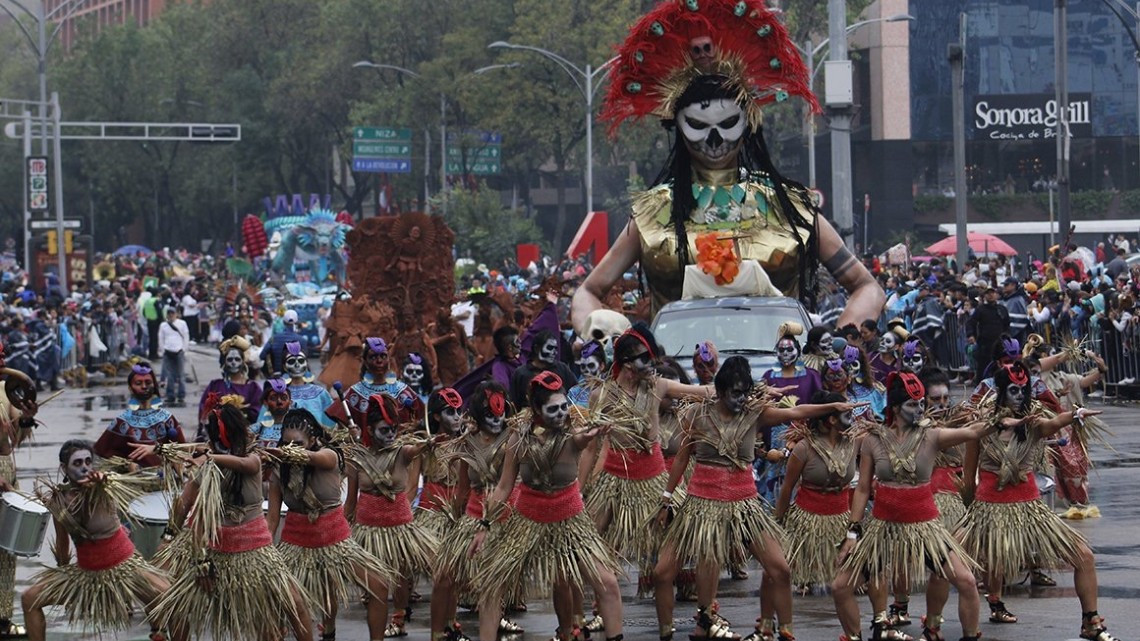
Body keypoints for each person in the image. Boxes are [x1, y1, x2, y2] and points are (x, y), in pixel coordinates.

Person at [572, 0, 884, 337]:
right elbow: (588, 292)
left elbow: (867, 288)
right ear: (678, 127)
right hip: (676, 378)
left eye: (727, 123)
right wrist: (599, 339)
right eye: (698, 125)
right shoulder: (653, 211)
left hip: (784, 378)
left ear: (747, 123)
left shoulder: (789, 207)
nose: (715, 138)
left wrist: (837, 345)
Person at [653, 356, 860, 641]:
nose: (740, 399)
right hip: (701, 504)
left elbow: (797, 413)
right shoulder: (696, 415)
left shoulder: (755, 414)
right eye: (735, 393)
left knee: (781, 568)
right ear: (722, 390)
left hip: (745, 506)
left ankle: (784, 630)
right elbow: (681, 459)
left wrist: (832, 406)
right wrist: (666, 498)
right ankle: (684, 626)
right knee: (667, 571)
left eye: (744, 393)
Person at [833, 371, 999, 641]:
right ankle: (855, 636)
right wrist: (852, 532)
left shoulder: (931, 436)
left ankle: (967, 636)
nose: (920, 409)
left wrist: (997, 419)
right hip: (883, 529)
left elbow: (971, 432)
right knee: (840, 586)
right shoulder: (873, 440)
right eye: (913, 404)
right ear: (896, 408)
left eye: (921, 403)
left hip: (926, 527)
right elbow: (863, 488)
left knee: (967, 582)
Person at [958, 362, 1115, 641]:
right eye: (1013, 390)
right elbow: (969, 478)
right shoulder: (980, 429)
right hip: (987, 509)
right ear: (1000, 391)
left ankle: (1090, 622)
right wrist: (971, 514)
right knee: (948, 562)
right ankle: (935, 623)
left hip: (1031, 511)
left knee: (1085, 556)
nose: (1019, 396)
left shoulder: (1032, 425)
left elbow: (1052, 423)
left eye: (1023, 390)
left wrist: (1075, 414)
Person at [143, 397, 313, 641]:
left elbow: (247, 464)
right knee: (177, 604)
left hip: (254, 550)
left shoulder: (253, 457)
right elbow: (185, 504)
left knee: (293, 603)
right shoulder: (207, 466)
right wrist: (169, 537)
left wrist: (209, 457)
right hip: (212, 548)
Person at [471, 372, 624, 641]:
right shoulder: (518, 439)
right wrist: (484, 524)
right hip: (528, 520)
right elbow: (505, 487)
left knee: (608, 583)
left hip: (571, 520)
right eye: (553, 409)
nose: (562, 413)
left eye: (564, 406)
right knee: (492, 586)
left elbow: (581, 439)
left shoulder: (571, 434)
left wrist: (594, 433)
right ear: (537, 410)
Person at [582, 325, 714, 626]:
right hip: (614, 482)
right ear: (627, 362)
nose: (651, 365)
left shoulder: (657, 386)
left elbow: (704, 392)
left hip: (656, 481)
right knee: (594, 544)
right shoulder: (601, 396)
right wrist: (579, 490)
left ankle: (707, 613)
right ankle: (597, 610)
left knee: (701, 534)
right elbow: (591, 448)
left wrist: (747, 390)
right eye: (645, 359)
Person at [22, 440, 174, 641]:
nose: (85, 467)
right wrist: (63, 573)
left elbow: (103, 480)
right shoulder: (58, 501)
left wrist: (101, 481)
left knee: (170, 596)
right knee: (29, 599)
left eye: (88, 461)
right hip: (86, 572)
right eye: (77, 463)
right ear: (64, 468)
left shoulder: (105, 486)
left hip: (124, 567)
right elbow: (62, 543)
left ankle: (159, 632)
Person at [266, 408, 395, 641]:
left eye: (297, 443)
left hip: (337, 541)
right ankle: (327, 633)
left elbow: (314, 458)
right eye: (286, 444)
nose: (290, 449)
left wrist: (287, 454)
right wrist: (264, 553)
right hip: (296, 545)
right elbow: (273, 517)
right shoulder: (279, 469)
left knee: (379, 586)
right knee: (282, 600)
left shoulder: (329, 456)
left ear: (313, 440)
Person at [344, 393, 439, 638]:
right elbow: (350, 501)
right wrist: (340, 533)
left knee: (404, 576)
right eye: (384, 429)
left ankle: (399, 617)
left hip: (401, 529)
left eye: (394, 429)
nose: (390, 434)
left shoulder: (401, 452)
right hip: (368, 532)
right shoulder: (357, 457)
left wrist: (427, 443)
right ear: (369, 429)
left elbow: (414, 450)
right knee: (378, 588)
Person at [432, 381, 520, 641]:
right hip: (470, 518)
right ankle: (438, 633)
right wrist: (454, 521)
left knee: (491, 589)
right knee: (444, 577)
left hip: (504, 519)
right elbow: (462, 488)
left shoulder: (514, 439)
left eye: (500, 414)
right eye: (490, 415)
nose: (496, 419)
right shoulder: (466, 443)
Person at [773, 392, 856, 594]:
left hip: (842, 520)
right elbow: (787, 489)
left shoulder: (854, 442)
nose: (852, 419)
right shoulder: (804, 448)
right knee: (805, 585)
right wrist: (778, 524)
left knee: (845, 582)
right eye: (846, 414)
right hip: (809, 523)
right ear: (831, 419)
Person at [0, 355, 38, 638]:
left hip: (6, 475)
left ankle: (2, 618)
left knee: (5, 550)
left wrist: (25, 420)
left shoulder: (6, 390)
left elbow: (13, 442)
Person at [94, 363, 186, 467]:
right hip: (135, 478)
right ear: (130, 388)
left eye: (148, 382)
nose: (144, 386)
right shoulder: (123, 421)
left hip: (164, 478)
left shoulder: (166, 418)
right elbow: (102, 452)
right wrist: (127, 465)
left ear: (154, 385)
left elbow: (182, 450)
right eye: (138, 383)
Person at [197, 335, 262, 440]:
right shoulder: (215, 385)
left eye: (237, 359)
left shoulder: (253, 387)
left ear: (243, 362)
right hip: (218, 436)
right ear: (225, 362)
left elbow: (259, 413)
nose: (233, 362)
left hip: (245, 437)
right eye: (230, 359)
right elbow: (204, 410)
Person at [279, 341, 336, 431]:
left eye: (301, 361)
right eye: (291, 361)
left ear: (306, 365)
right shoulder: (279, 395)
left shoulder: (320, 393)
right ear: (284, 367)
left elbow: (332, 426)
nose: (297, 365)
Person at [966, 286, 1009, 385]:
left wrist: (1006, 337)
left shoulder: (1002, 309)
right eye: (988, 293)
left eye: (992, 293)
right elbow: (970, 323)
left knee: (1000, 366)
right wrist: (970, 335)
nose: (991, 295)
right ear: (984, 296)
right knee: (983, 367)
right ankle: (980, 388)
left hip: (1000, 344)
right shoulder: (980, 309)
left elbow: (1007, 324)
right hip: (985, 344)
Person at [158, 307, 189, 406]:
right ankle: (170, 395)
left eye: (172, 313)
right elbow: (161, 338)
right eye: (169, 313)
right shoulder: (163, 325)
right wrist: (163, 349)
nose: (171, 315)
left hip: (179, 350)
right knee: (169, 375)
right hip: (168, 351)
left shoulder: (182, 324)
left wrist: (184, 349)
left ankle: (181, 395)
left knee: (181, 374)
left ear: (176, 314)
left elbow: (186, 336)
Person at [260, 309, 303, 376]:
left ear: (283, 322)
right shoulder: (301, 340)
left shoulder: (274, 338)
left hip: (278, 376)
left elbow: (262, 356)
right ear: (296, 322)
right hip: (297, 375)